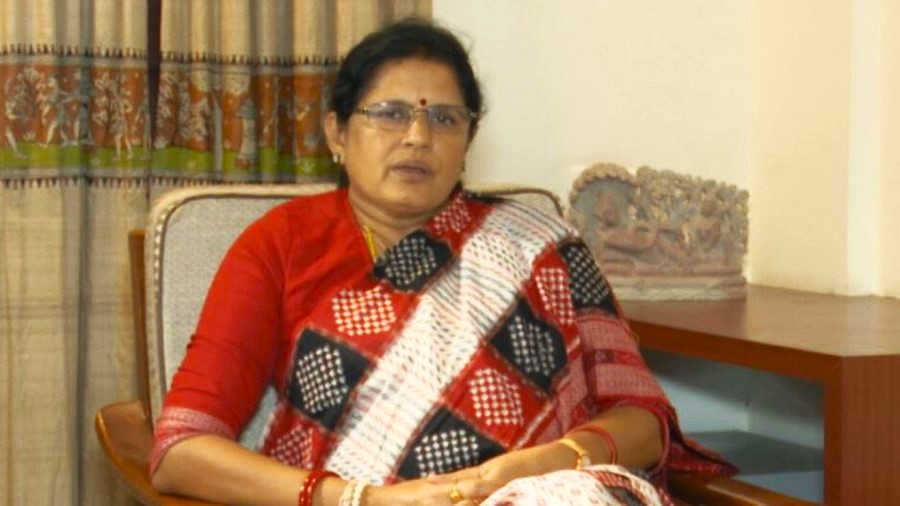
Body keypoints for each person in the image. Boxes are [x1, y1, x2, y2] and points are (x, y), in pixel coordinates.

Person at [149, 18, 734, 506]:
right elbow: (181, 451)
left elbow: (643, 422)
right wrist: (363, 499)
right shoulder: (280, 245)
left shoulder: (539, 246)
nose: (417, 136)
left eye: (445, 118)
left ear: (468, 141)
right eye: (390, 113)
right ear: (337, 133)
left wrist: (551, 460)